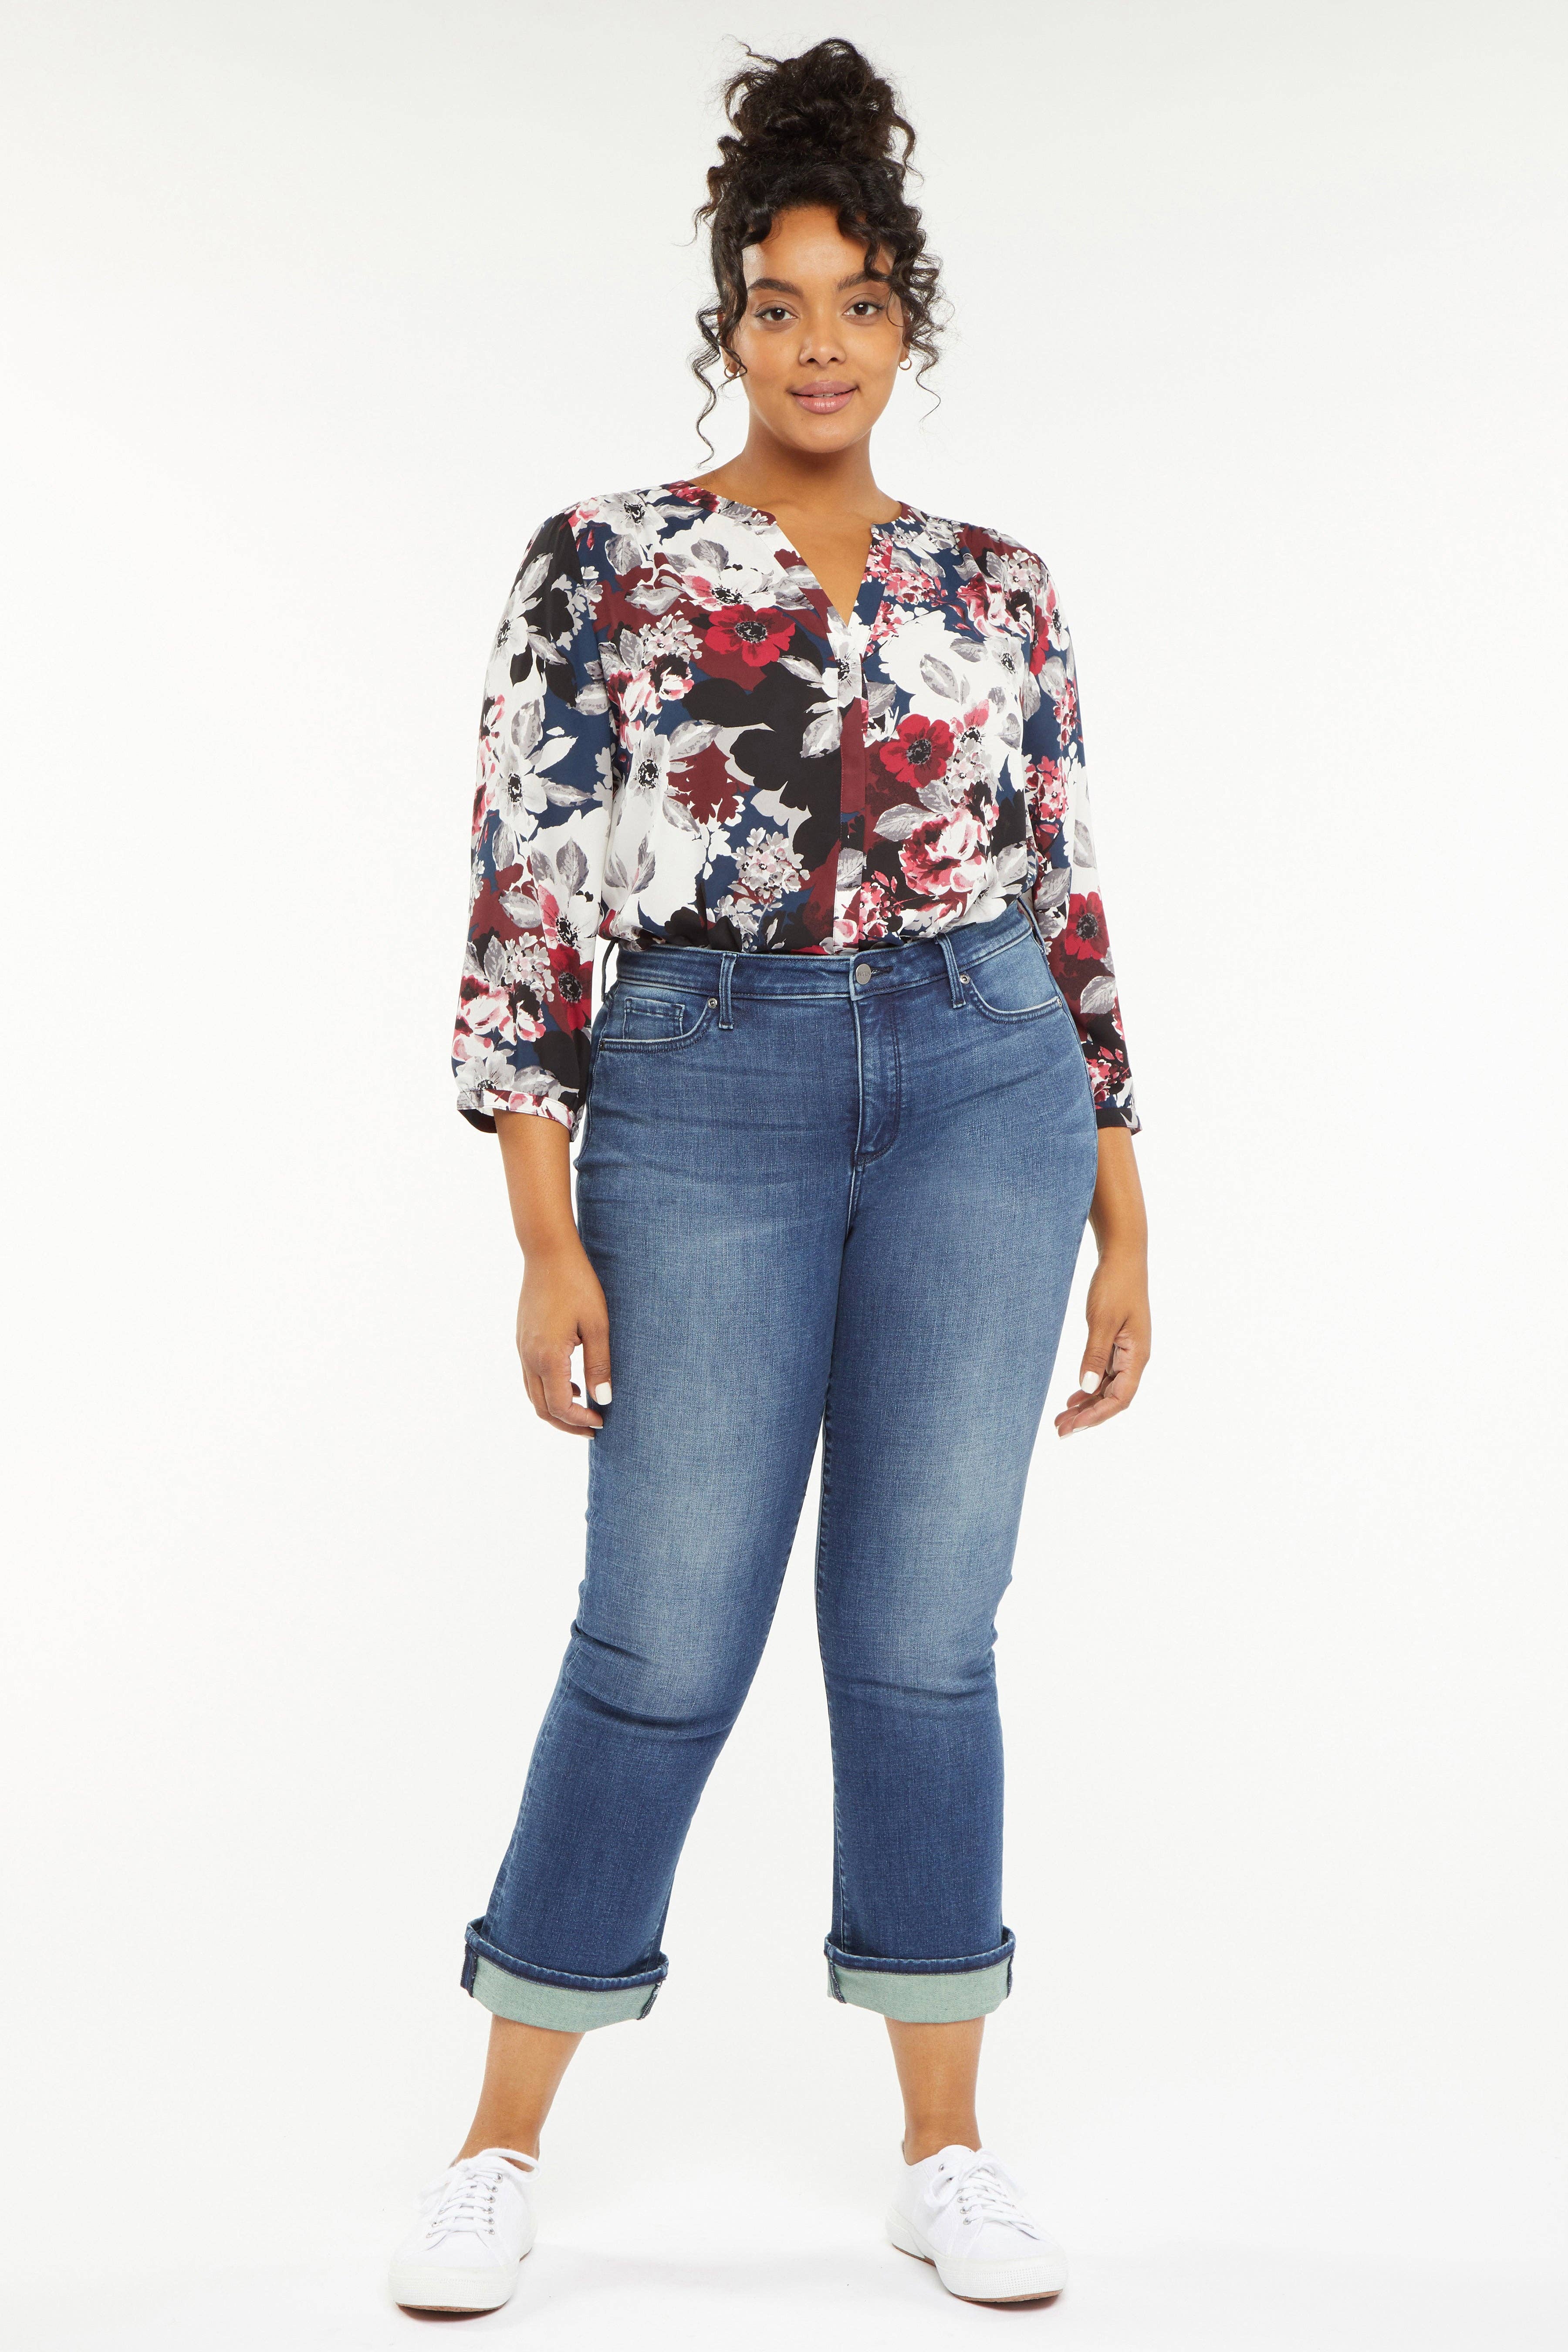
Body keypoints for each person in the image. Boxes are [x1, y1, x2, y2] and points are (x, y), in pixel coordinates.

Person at [389, 35, 1150, 2316]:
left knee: (923, 1634)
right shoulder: (608, 564)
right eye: (780, 303)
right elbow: (532, 891)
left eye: (862, 304)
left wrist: (1126, 1188)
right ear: (728, 318)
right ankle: (496, 2144)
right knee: (661, 1630)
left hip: (989, 1077)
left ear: (912, 324)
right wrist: (542, 1231)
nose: (821, 344)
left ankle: (946, 2151)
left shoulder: (1000, 586)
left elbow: (1065, 885)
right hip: (703, 1081)